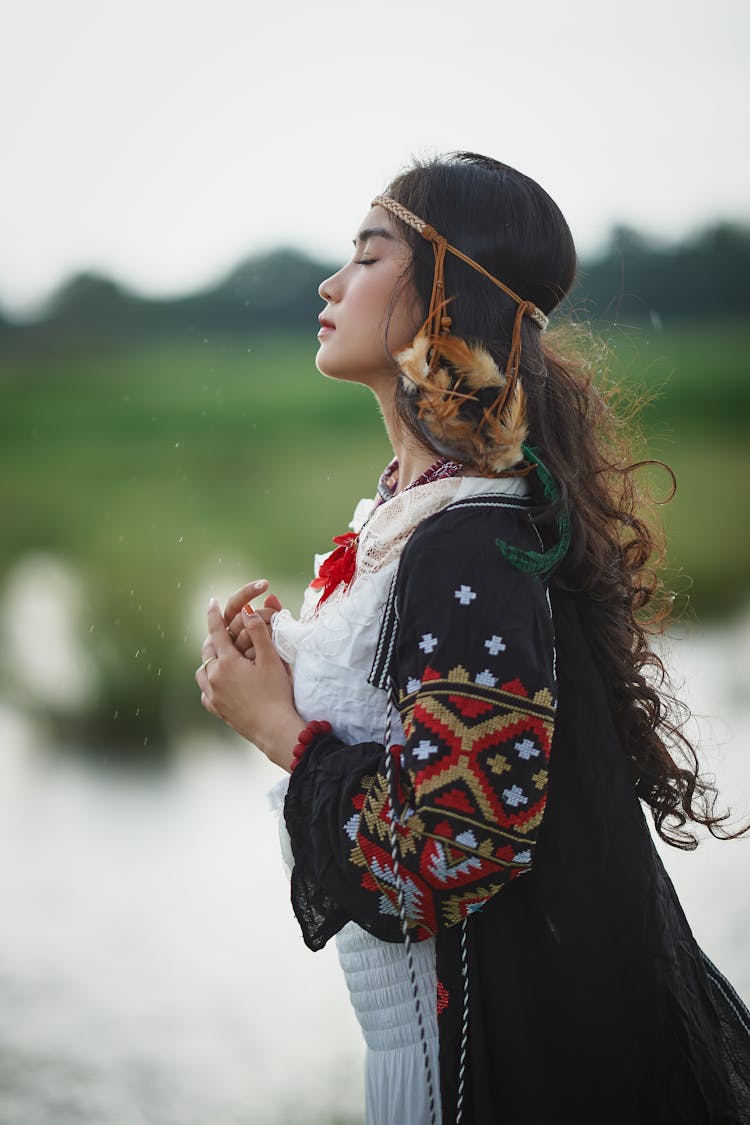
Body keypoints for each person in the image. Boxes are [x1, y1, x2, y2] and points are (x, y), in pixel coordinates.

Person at [195, 153, 750, 1125]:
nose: (330, 285)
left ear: (442, 298)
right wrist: (278, 674)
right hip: (417, 1045)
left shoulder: (472, 540)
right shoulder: (414, 514)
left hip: (489, 1064)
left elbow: (449, 849)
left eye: (367, 258)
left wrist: (278, 727)